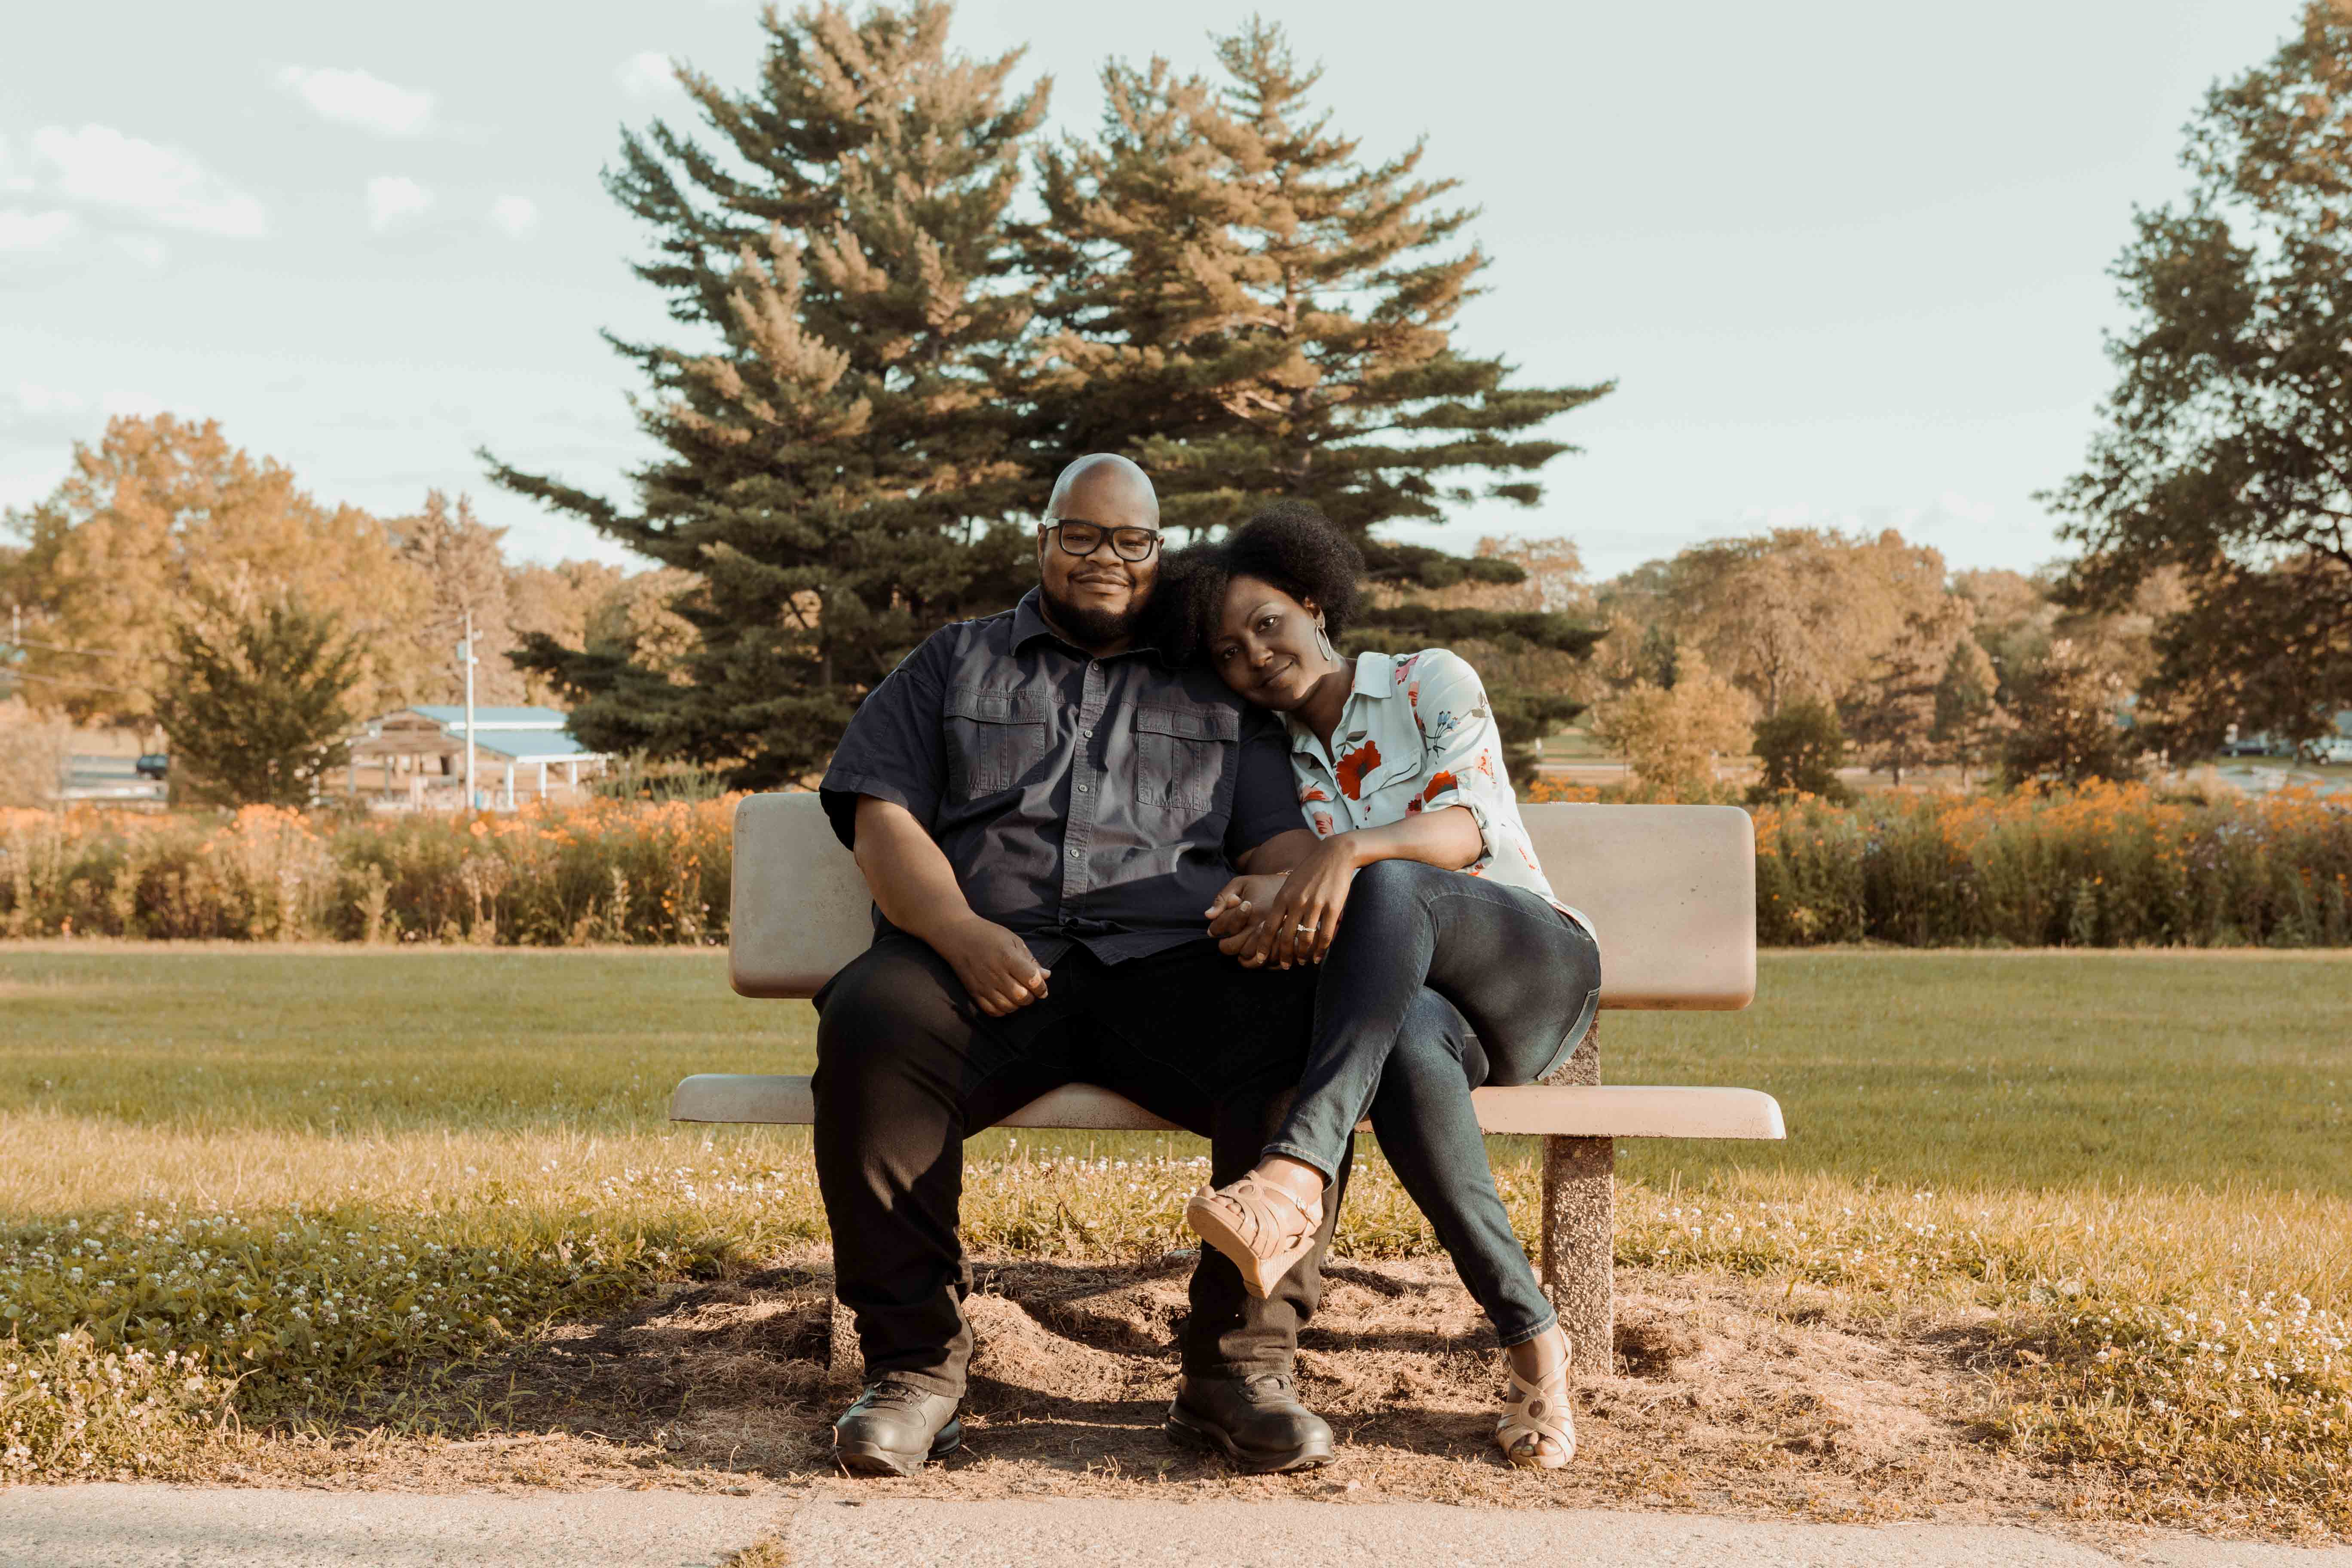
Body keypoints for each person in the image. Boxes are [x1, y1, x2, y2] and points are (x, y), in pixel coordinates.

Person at [813, 455, 1365, 1478]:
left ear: (1159, 556)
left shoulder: (1215, 689)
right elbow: (880, 816)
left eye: (1130, 541)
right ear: (1044, 542)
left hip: (1169, 972)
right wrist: (957, 931)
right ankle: (916, 1370)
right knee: (871, 1015)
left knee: (1306, 1032)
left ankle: (1236, 1370)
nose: (1104, 558)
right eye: (1082, 535)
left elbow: (1277, 846)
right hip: (987, 970)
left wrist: (1283, 899)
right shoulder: (954, 662)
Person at [1161, 500, 1603, 1470]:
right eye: (1230, 652)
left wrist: (1350, 851)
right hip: (1423, 1016)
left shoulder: (1423, 679)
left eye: (1268, 623)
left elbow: (1466, 827)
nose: (1256, 656)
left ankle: (1293, 1176)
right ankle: (1535, 1337)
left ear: (1315, 603)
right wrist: (1262, 900)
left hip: (1529, 965)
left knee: (1396, 880)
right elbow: (1288, 898)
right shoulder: (1273, 765)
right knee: (1400, 1049)